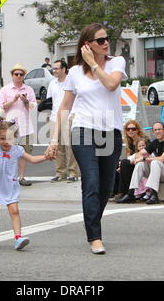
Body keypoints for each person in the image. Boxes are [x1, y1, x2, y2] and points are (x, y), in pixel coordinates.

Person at [46, 23, 127, 254]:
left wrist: (93, 63)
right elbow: (65, 106)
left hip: (110, 131)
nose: (105, 43)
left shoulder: (116, 62)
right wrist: (54, 139)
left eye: (106, 39)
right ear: (87, 45)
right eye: (100, 40)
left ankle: (93, 223)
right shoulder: (74, 73)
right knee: (90, 182)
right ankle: (95, 236)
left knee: (105, 187)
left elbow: (111, 85)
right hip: (83, 130)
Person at [0, 121, 50, 250]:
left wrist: (46, 157)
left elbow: (32, 159)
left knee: (14, 211)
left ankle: (18, 238)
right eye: (2, 138)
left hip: (10, 185)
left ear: (15, 138)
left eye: (9, 138)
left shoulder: (17, 150)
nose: (5, 141)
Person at [0, 63, 37, 186]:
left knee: (25, 152)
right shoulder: (5, 89)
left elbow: (33, 106)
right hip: (9, 126)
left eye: (21, 74)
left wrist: (26, 102)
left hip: (25, 125)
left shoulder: (28, 90)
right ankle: (9, 177)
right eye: (16, 74)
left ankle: (21, 177)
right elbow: (1, 106)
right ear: (12, 75)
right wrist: (13, 100)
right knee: (8, 152)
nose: (19, 76)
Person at [47, 60, 79, 183]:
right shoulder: (52, 84)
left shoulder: (71, 82)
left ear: (64, 69)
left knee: (69, 147)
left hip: (69, 116)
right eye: (53, 69)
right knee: (57, 147)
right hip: (55, 117)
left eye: (56, 68)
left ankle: (72, 173)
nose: (54, 71)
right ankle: (60, 172)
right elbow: (50, 102)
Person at [114, 120, 150, 203]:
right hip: (133, 162)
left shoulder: (144, 140)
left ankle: (125, 192)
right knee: (117, 164)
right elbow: (128, 157)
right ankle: (115, 191)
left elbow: (146, 153)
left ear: (137, 130)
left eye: (133, 129)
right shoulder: (129, 142)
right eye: (128, 129)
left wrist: (132, 159)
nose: (130, 131)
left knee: (124, 163)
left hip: (143, 163)